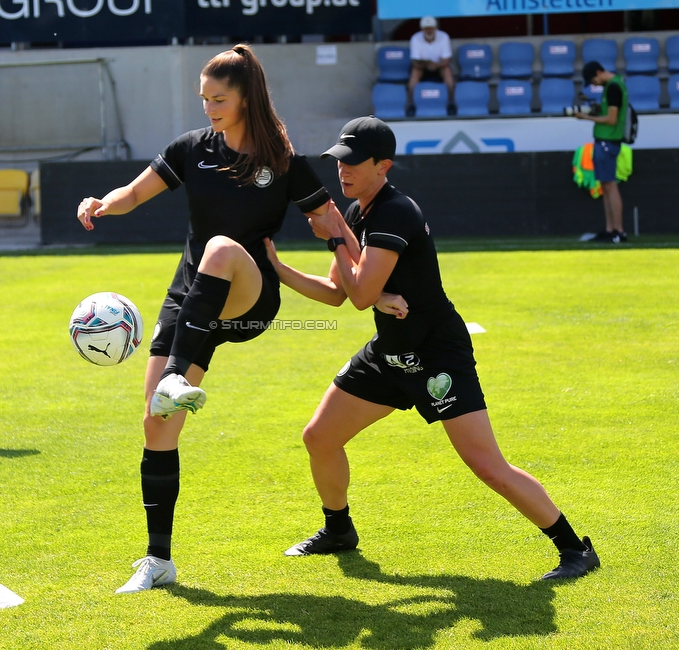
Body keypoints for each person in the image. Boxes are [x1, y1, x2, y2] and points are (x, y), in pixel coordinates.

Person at [264, 116, 601, 581]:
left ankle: (575, 549)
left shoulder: (395, 212)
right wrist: (277, 266)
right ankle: (338, 530)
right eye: (338, 162)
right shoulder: (361, 212)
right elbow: (339, 292)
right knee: (319, 437)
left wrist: (338, 241)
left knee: (486, 465)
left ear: (384, 166)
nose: (342, 171)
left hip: (436, 354)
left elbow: (359, 293)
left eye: (353, 163)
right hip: (391, 352)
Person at [76, 44, 331, 594]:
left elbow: (332, 224)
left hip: (250, 295)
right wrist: (101, 202)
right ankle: (158, 560)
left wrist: (369, 284)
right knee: (156, 425)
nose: (209, 108)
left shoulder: (283, 160)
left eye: (219, 98)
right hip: (189, 301)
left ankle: (176, 375)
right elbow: (136, 193)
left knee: (218, 249)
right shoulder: (191, 149)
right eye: (204, 99)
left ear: (246, 97)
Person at [575, 61, 629, 244]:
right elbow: (609, 113)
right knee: (606, 186)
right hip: (605, 140)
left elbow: (612, 120)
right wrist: (596, 110)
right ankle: (610, 229)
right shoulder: (613, 85)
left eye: (593, 79)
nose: (594, 84)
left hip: (608, 140)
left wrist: (586, 117)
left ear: (599, 72)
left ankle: (618, 230)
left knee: (610, 185)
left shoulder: (613, 87)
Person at [406, 16, 456, 117]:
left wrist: (435, 65)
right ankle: (411, 104)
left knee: (447, 71)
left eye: (431, 28)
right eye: (426, 28)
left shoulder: (444, 37)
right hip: (422, 67)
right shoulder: (415, 38)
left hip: (439, 66)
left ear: (435, 28)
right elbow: (415, 62)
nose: (429, 30)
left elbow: (446, 60)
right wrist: (428, 64)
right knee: (415, 73)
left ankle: (451, 103)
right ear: (422, 29)